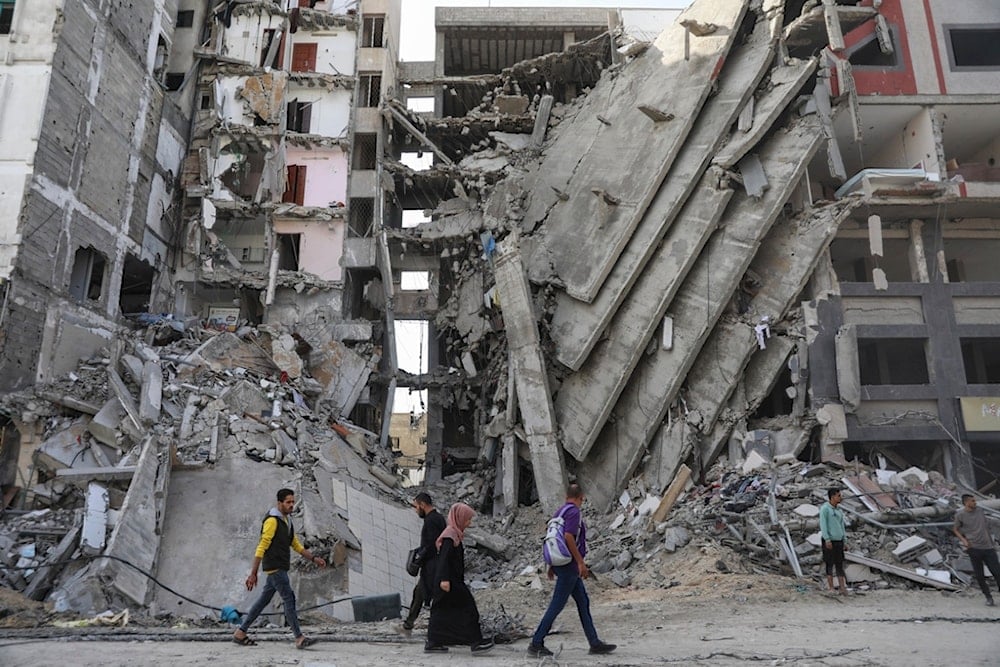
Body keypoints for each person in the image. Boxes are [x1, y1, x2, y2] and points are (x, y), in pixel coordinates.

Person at [527, 484, 616, 658]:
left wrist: (552, 565)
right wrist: (580, 562)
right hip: (570, 567)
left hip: (563, 565)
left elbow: (553, 539)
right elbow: (568, 536)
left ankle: (594, 642)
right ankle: (536, 642)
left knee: (583, 601)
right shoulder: (574, 512)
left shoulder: (559, 512)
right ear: (580, 497)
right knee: (557, 605)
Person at [233, 488, 327, 649]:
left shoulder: (287, 521)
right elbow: (261, 546)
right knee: (289, 598)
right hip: (275, 568)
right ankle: (299, 637)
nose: (292, 505)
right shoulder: (272, 521)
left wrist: (313, 558)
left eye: (292, 501)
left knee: (263, 600)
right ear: (279, 503)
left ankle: (240, 632)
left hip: (279, 567)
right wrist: (253, 573)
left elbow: (295, 545)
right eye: (288, 502)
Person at [424, 502, 494, 655]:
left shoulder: (455, 534)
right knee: (469, 608)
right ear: (459, 518)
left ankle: (434, 642)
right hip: (448, 581)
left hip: (451, 580)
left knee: (441, 611)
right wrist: (444, 579)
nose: (469, 523)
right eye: (467, 519)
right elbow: (443, 559)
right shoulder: (450, 536)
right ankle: (476, 642)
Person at [402, 492, 446, 630]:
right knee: (420, 593)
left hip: (432, 565)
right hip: (436, 564)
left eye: (416, 507)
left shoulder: (431, 521)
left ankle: (412, 624)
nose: (416, 511)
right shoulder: (438, 518)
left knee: (423, 593)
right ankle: (409, 623)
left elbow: (430, 545)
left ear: (422, 504)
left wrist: (419, 558)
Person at [953, 494, 1000, 606]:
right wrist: (963, 540)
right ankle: (988, 597)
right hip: (974, 548)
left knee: (997, 572)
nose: (975, 502)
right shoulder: (960, 515)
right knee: (980, 575)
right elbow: (955, 529)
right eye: (972, 501)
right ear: (966, 502)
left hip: (988, 547)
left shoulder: (980, 511)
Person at [820, 487, 848, 596]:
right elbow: (823, 525)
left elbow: (842, 526)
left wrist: (844, 540)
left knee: (839, 564)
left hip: (839, 540)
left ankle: (842, 587)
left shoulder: (839, 511)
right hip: (829, 540)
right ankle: (831, 587)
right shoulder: (825, 509)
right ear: (832, 497)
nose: (840, 498)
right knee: (829, 563)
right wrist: (827, 539)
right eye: (838, 496)